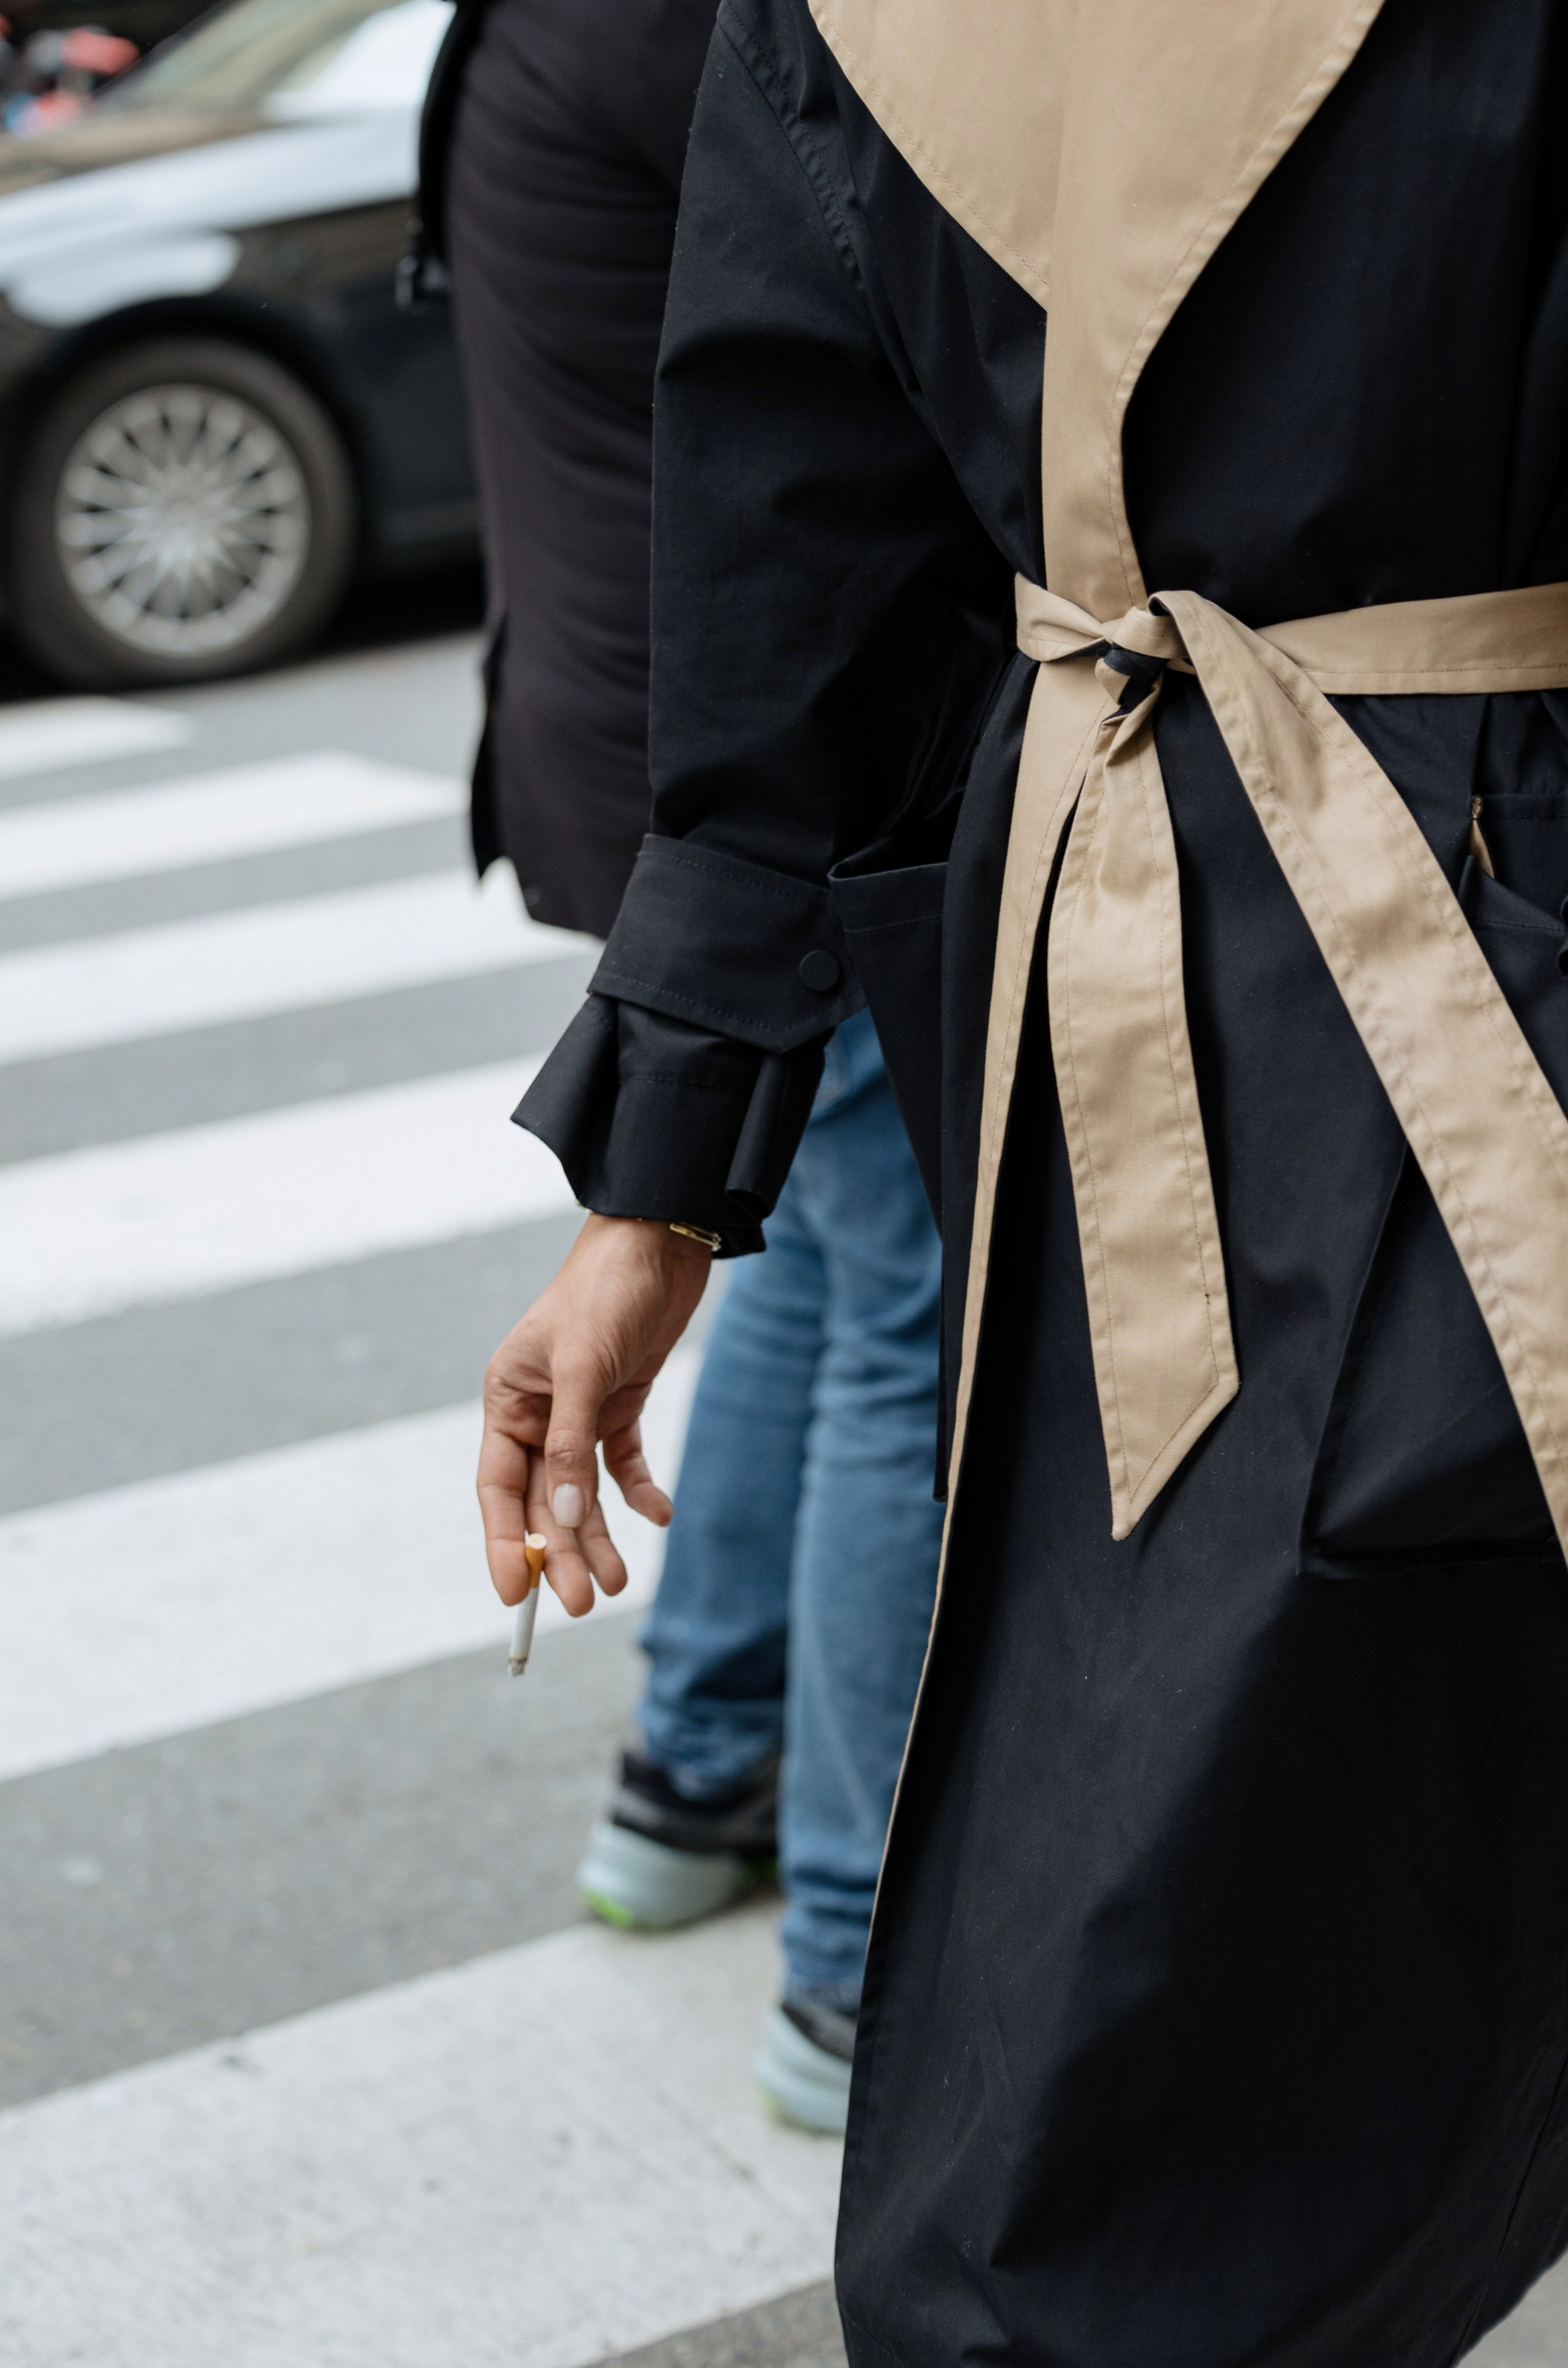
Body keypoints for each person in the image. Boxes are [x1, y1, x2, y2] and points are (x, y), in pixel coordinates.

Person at [477, 0, 1568, 2359]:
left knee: (1145, 1999)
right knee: (1165, 1995)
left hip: (1151, 943)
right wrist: (650, 1188)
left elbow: (786, 574)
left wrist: (654, 1190)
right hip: (1268, 967)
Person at [416, 0, 945, 2132]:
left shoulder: (528, 21)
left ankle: (692, 1774)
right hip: (752, 803)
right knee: (902, 1317)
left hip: (639, 766)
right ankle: (849, 1958)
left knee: (798, 1275)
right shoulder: (698, 22)